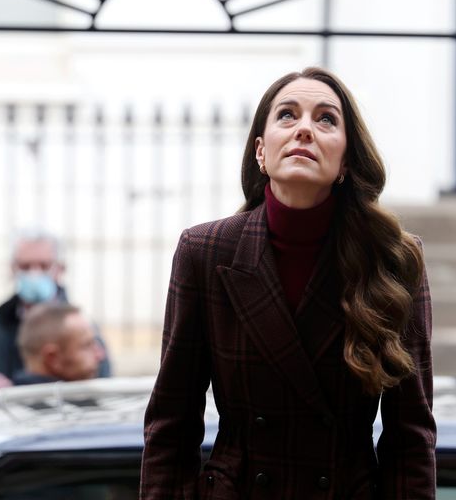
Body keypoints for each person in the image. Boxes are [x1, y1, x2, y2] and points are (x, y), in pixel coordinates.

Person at [140, 67, 436, 500]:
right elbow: (172, 422)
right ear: (261, 151)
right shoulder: (204, 252)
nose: (304, 129)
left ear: (347, 160)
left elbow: (411, 437)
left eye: (325, 119)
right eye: (287, 115)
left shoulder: (392, 259)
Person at [0, 230, 111, 391]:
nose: (34, 273)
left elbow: (103, 385)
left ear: (60, 268)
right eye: (25, 266)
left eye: (44, 266)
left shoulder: (79, 325)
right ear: (13, 269)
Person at [13, 302, 105, 384]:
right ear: (52, 358)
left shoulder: (10, 398)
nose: (100, 355)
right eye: (86, 346)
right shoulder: (63, 401)